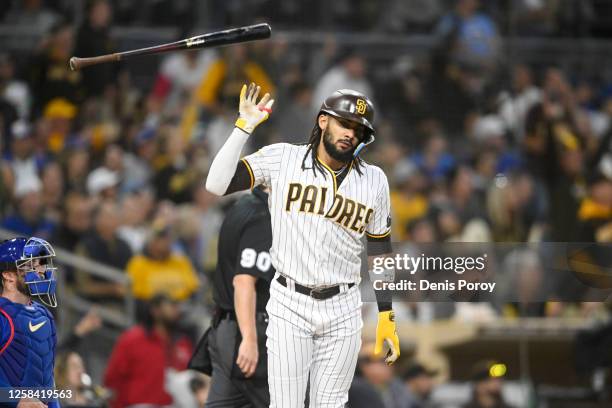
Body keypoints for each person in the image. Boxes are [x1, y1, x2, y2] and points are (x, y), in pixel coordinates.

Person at [206, 83, 400, 407]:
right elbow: (216, 184)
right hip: (290, 302)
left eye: (358, 130)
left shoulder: (375, 179)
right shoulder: (284, 158)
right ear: (323, 120)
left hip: (344, 305)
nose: (350, 133)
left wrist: (386, 314)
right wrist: (244, 127)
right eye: (344, 123)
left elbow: (380, 249)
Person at [193, 186, 274, 407]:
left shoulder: (242, 205)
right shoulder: (264, 216)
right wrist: (249, 339)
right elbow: (244, 280)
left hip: (225, 325)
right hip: (248, 330)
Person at [104, 293, 194, 408]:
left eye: (177, 306)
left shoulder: (182, 342)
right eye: (171, 305)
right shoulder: (133, 339)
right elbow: (112, 378)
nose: (176, 310)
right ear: (155, 310)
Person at [0, 237, 60, 408]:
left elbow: (47, 376)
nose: (41, 271)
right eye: (31, 266)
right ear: (9, 276)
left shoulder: (44, 315)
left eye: (41, 264)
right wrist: (16, 399)